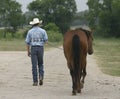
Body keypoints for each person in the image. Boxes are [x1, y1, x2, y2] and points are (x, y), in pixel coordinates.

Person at [25, 18, 48, 86]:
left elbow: (27, 42)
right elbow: (46, 40)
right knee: (40, 64)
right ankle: (41, 76)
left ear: (33, 24)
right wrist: (43, 41)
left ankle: (35, 81)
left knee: (34, 65)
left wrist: (28, 51)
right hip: (40, 48)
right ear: (38, 24)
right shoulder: (43, 31)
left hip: (33, 49)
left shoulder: (30, 32)